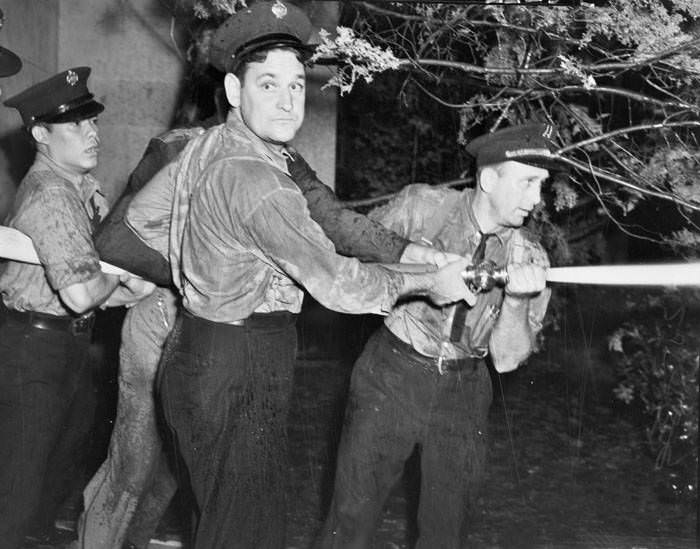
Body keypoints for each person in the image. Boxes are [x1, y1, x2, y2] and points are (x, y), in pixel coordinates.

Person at [79, 26, 454, 549]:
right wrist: (428, 282)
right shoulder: (260, 181)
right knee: (241, 531)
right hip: (241, 359)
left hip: (198, 348)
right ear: (234, 91)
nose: (287, 102)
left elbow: (140, 221)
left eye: (297, 85)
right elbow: (342, 286)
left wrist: (206, 265)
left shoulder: (206, 146)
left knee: (234, 521)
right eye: (268, 85)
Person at [315, 123, 555, 549]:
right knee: (350, 520)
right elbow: (351, 262)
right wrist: (422, 276)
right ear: (488, 178)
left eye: (541, 186)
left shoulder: (530, 257)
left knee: (446, 533)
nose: (536, 200)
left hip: (464, 392)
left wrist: (517, 300)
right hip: (392, 375)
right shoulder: (421, 208)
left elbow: (506, 359)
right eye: (528, 183)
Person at [0, 67, 154, 549]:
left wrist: (134, 284)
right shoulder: (51, 194)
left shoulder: (81, 189)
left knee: (57, 468)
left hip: (65, 345)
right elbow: (82, 293)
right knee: (19, 489)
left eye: (92, 123)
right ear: (41, 135)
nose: (93, 134)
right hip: (33, 350)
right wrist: (122, 276)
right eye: (76, 126)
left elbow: (101, 279)